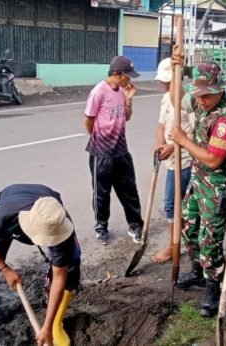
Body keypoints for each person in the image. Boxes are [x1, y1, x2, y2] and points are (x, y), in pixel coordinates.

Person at [169, 55, 226, 317]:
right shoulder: (202, 101)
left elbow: (214, 160)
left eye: (206, 96)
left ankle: (213, 288)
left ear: (220, 90)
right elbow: (176, 100)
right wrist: (175, 68)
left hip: (217, 184)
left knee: (210, 238)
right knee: (189, 226)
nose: (200, 100)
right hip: (197, 178)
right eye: (198, 95)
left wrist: (182, 140)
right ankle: (198, 272)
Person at [0, 184, 81, 346]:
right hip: (13, 201)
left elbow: (59, 277)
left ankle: (55, 324)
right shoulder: (4, 215)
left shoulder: (59, 225)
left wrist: (45, 326)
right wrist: (5, 269)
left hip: (47, 208)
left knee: (71, 267)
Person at [84, 55, 144, 246]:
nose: (130, 80)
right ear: (116, 74)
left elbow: (126, 117)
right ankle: (101, 227)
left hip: (121, 151)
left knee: (129, 190)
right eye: (128, 76)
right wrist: (99, 139)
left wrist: (128, 100)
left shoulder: (122, 91)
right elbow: (89, 121)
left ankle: (135, 225)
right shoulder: (98, 92)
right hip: (101, 153)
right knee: (101, 193)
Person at [151, 57, 196, 263]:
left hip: (183, 161)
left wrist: (173, 146)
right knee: (174, 205)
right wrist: (161, 144)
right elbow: (161, 125)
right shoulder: (165, 98)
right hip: (169, 158)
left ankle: (174, 246)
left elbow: (195, 135)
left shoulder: (187, 101)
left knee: (172, 205)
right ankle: (180, 241)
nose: (165, 85)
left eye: (169, 82)